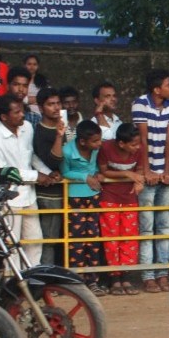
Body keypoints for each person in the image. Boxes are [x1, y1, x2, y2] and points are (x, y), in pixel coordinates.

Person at [132, 69, 169, 292]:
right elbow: (143, 138)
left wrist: (167, 170)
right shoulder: (140, 104)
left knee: (164, 225)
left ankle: (163, 274)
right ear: (157, 89)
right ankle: (148, 275)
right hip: (148, 171)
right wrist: (147, 170)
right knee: (147, 227)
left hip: (163, 171)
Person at [0, 96, 49, 265]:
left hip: (29, 195)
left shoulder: (26, 128)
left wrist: (47, 172)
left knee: (35, 240)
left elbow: (31, 155)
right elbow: (4, 171)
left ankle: (33, 279)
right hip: (8, 198)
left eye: (22, 110)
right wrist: (36, 176)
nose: (22, 115)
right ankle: (15, 283)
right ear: (4, 117)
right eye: (17, 112)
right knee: (11, 243)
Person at [59, 120, 105, 295]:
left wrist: (98, 175)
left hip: (93, 196)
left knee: (93, 240)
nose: (99, 144)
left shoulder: (96, 150)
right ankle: (75, 281)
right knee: (75, 241)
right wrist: (85, 176)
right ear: (82, 141)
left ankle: (93, 281)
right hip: (74, 197)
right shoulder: (67, 151)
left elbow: (98, 168)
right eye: (95, 141)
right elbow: (65, 172)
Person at [97, 123, 144, 296]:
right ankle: (114, 278)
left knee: (129, 238)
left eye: (138, 144)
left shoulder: (138, 149)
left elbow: (139, 169)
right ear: (121, 144)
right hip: (109, 197)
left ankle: (126, 276)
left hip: (130, 197)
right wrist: (128, 174)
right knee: (111, 238)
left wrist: (138, 180)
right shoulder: (106, 148)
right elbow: (103, 171)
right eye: (133, 144)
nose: (137, 147)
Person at [31, 87, 66, 266]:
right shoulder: (39, 131)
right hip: (49, 193)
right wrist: (59, 137)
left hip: (66, 190)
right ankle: (47, 277)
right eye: (50, 104)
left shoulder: (65, 127)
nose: (55, 107)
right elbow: (54, 161)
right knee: (50, 239)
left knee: (64, 238)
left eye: (58, 103)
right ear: (41, 107)